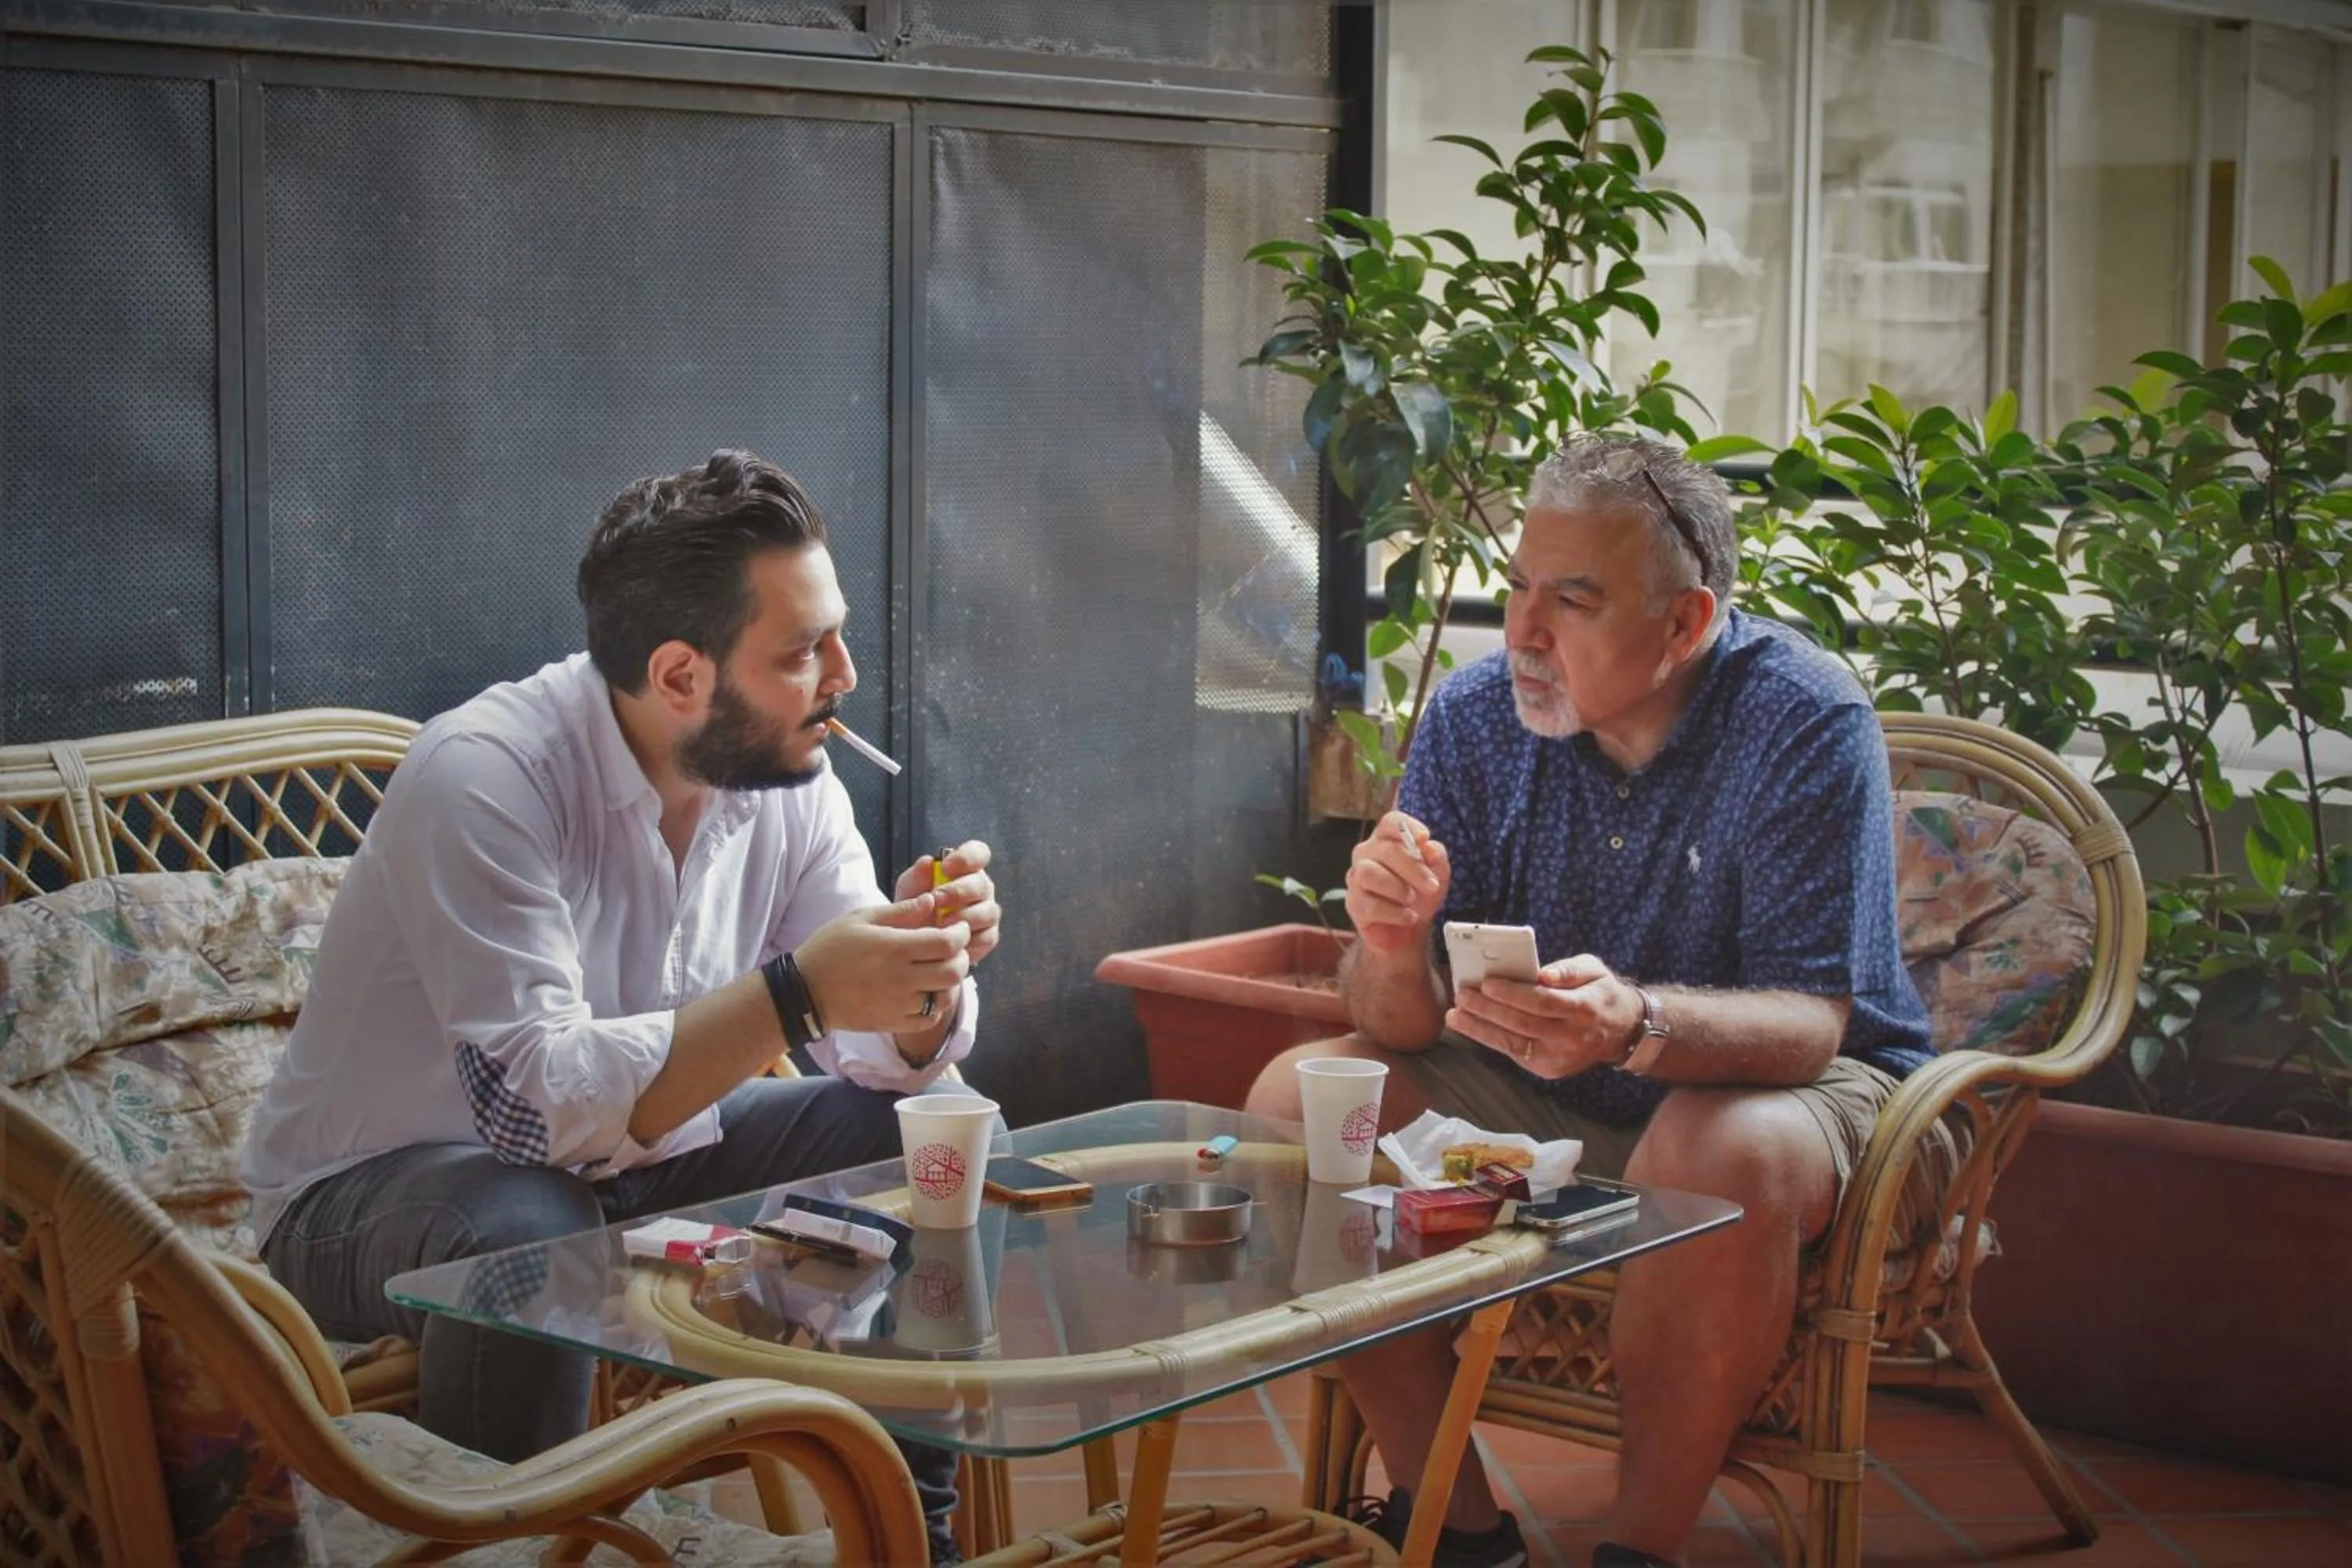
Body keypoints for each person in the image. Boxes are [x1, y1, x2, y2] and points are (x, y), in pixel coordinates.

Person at [243, 449, 998, 1563]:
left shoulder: (788, 776)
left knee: (926, 1138)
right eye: (803, 650)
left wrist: (922, 985)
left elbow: (877, 1057)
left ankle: (909, 1546)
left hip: (629, 1166)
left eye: (836, 633)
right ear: (682, 674)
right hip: (366, 1195)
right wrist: (799, 992)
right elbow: (531, 1116)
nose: (845, 671)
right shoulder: (487, 777)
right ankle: (502, 1553)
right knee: (528, 1229)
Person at [1246, 433, 1944, 1568]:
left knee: (1724, 1146)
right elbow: (1398, 1023)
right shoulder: (1476, 720)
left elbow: (1816, 1022)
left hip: (1790, 1092)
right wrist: (1388, 941)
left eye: (1572, 601)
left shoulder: (1804, 718)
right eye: (1519, 587)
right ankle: (1461, 1532)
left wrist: (1639, 1025)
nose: (1523, 631)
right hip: (1538, 1084)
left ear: (1686, 624)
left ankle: (1639, 1551)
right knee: (1304, 1097)